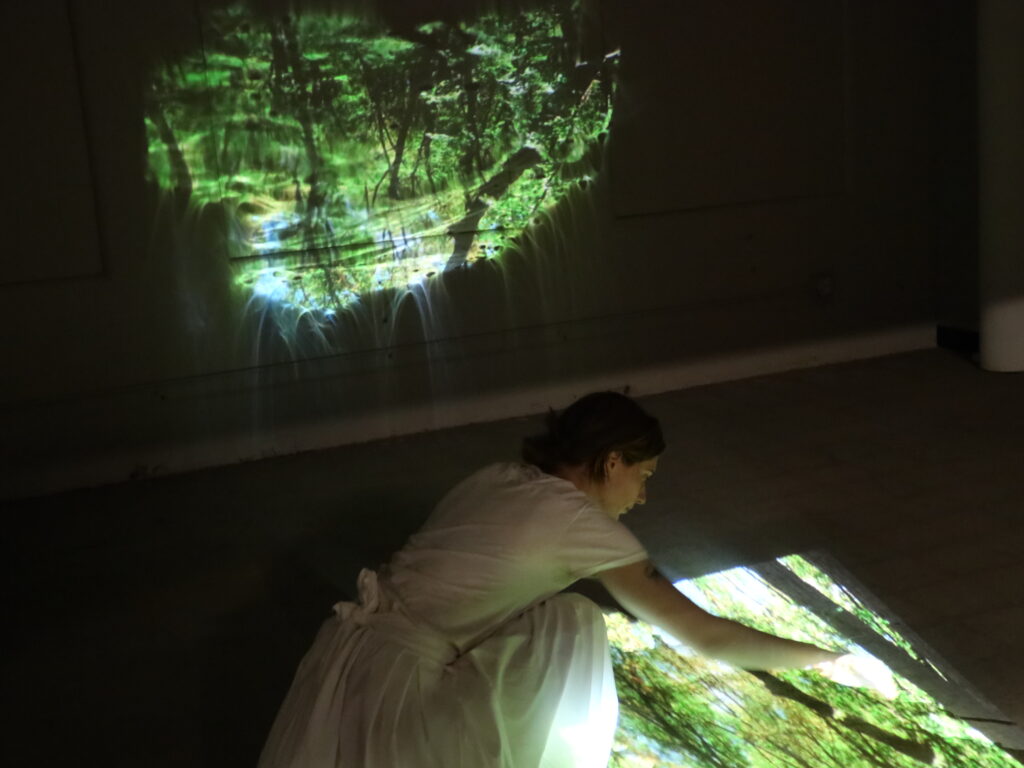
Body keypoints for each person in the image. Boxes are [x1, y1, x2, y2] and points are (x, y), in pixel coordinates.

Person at [258, 392, 872, 767]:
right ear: (611, 463)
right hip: (390, 693)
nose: (644, 495)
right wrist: (828, 658)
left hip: (338, 660)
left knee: (554, 613)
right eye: (644, 475)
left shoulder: (496, 476)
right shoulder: (584, 526)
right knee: (576, 623)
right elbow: (705, 635)